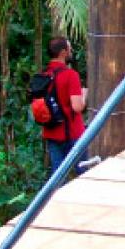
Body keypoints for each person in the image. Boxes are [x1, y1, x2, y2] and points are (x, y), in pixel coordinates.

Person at [40, 37, 90, 177]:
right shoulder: (70, 75)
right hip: (72, 132)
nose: (71, 51)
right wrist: (84, 95)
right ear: (63, 52)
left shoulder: (43, 75)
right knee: (83, 171)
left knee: (58, 174)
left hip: (51, 132)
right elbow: (77, 107)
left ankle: (56, 197)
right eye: (69, 49)